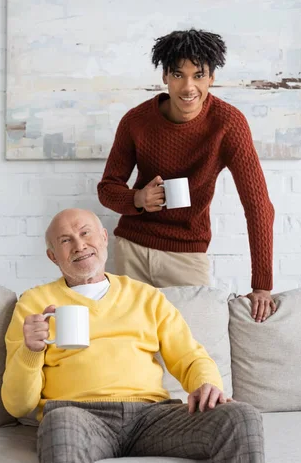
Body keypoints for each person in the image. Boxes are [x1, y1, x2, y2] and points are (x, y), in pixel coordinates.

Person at [1, 208, 265, 463]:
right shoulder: (34, 303)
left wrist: (207, 383)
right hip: (80, 417)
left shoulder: (147, 296)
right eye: (65, 241)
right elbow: (17, 405)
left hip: (151, 418)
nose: (79, 245)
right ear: (53, 256)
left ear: (104, 238)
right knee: (59, 422)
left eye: (85, 233)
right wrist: (31, 350)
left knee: (240, 416)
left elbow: (190, 356)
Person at [97, 28, 276, 324]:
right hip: (132, 248)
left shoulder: (228, 124)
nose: (188, 86)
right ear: (165, 76)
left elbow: (258, 206)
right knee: (129, 346)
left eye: (199, 75)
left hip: (187, 254)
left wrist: (262, 286)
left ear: (212, 78)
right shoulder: (136, 121)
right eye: (179, 75)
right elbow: (107, 189)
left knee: (195, 343)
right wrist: (137, 199)